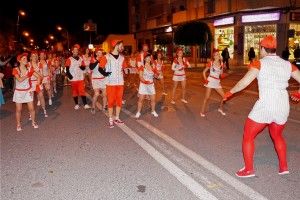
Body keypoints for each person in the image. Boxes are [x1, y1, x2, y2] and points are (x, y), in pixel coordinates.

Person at [223, 35, 300, 178]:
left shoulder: (259, 63)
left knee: (248, 136)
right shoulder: (288, 64)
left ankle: (248, 169)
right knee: (277, 136)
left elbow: (244, 83)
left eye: (261, 48)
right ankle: (283, 167)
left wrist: (229, 92)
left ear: (263, 49)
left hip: (265, 106)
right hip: (283, 106)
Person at [99, 40, 127, 128]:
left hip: (120, 83)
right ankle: (110, 119)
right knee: (110, 102)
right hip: (110, 83)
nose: (122, 47)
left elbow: (125, 69)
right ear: (116, 45)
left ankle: (117, 118)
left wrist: (126, 70)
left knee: (119, 101)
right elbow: (100, 68)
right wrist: (105, 74)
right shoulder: (106, 57)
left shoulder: (122, 58)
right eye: (121, 46)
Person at [12, 53, 39, 131]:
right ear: (19, 60)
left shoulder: (29, 69)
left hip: (28, 91)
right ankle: (18, 124)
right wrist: (28, 75)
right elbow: (19, 80)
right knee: (18, 110)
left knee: (32, 109)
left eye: (26, 58)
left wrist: (36, 85)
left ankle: (33, 122)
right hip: (19, 92)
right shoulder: (15, 69)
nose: (26, 60)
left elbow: (38, 77)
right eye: (23, 59)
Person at [200, 49, 226, 117]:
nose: (217, 56)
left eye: (218, 54)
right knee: (207, 97)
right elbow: (204, 72)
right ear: (214, 56)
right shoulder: (211, 63)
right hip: (210, 81)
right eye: (216, 55)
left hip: (217, 82)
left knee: (224, 97)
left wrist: (223, 73)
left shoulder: (222, 63)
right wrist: (206, 80)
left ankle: (220, 108)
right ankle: (202, 111)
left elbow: (221, 74)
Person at [65, 44, 91, 110]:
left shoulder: (80, 59)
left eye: (77, 50)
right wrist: (71, 77)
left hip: (80, 78)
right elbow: (67, 70)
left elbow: (83, 68)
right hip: (73, 79)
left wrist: (81, 66)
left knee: (82, 91)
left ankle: (85, 104)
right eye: (75, 50)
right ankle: (76, 104)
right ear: (72, 51)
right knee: (75, 92)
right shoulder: (69, 59)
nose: (76, 51)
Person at [135, 53, 159, 118]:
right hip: (143, 85)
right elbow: (140, 76)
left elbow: (155, 76)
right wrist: (145, 81)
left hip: (151, 85)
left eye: (150, 58)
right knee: (141, 100)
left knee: (153, 100)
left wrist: (157, 75)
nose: (148, 59)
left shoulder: (153, 67)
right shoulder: (142, 67)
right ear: (145, 59)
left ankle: (153, 111)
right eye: (147, 58)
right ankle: (138, 112)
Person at [28, 51, 48, 118]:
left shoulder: (39, 64)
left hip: (38, 82)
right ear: (30, 57)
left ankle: (44, 109)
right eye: (33, 56)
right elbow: (29, 74)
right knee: (31, 99)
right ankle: (31, 113)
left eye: (36, 56)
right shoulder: (28, 64)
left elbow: (42, 75)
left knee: (41, 96)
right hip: (30, 83)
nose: (35, 57)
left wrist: (40, 80)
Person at [89, 48, 107, 114]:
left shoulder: (104, 59)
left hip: (103, 79)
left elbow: (106, 68)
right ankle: (93, 107)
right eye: (98, 52)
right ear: (96, 53)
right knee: (97, 94)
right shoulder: (93, 59)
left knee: (105, 94)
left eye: (101, 52)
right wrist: (97, 61)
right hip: (95, 79)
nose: (100, 54)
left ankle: (104, 107)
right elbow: (91, 67)